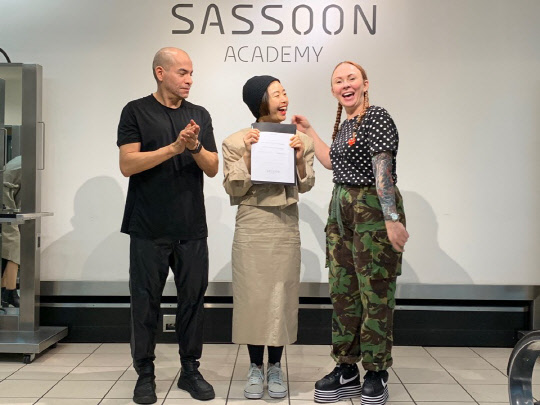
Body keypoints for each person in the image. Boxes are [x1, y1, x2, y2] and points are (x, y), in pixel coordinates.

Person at [292, 61, 409, 405]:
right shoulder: (346, 125)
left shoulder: (376, 117)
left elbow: (382, 169)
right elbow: (332, 162)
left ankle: (376, 371)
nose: (345, 85)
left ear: (365, 84)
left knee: (375, 292)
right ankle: (346, 368)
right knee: (344, 292)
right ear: (333, 90)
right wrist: (309, 130)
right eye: (339, 81)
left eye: (351, 78)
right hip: (341, 213)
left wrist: (391, 217)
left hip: (373, 212)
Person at [117, 47, 219, 404]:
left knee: (192, 302)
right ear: (160, 73)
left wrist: (193, 146)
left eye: (191, 73)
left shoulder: (199, 114)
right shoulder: (136, 111)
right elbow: (128, 164)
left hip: (191, 227)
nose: (189, 79)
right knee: (145, 304)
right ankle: (145, 374)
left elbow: (212, 167)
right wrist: (173, 148)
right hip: (148, 226)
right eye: (182, 72)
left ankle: (190, 370)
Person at [222, 75, 315, 399]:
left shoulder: (300, 140)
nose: (284, 99)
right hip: (252, 224)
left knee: (281, 295)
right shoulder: (236, 141)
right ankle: (254, 367)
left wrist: (300, 158)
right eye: (276, 94)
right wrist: (248, 155)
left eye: (285, 92)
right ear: (260, 100)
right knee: (252, 296)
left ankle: (275, 366)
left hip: (285, 224)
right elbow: (233, 188)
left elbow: (307, 184)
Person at [1, 155, 22, 309]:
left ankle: (7, 290)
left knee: (11, 244)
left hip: (8, 200)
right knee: (13, 243)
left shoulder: (19, 162)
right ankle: (10, 291)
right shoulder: (24, 164)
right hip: (6, 203)